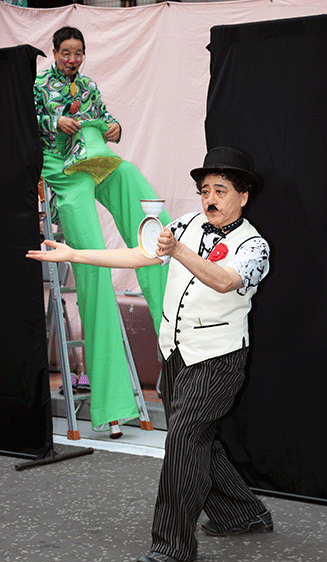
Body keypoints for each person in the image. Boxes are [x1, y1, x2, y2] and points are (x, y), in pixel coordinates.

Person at [27, 146, 273, 562]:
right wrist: (75, 254)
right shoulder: (185, 225)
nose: (210, 199)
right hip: (176, 352)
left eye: (221, 190)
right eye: (205, 191)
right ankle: (242, 513)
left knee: (183, 440)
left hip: (218, 359)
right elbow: (139, 254)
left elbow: (223, 281)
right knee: (194, 438)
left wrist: (177, 251)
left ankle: (173, 544)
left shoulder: (255, 246)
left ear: (243, 195)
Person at [34, 26, 170, 437]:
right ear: (54, 52)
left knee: (132, 179)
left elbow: (107, 119)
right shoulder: (38, 86)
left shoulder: (89, 86)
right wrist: (53, 120)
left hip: (96, 159)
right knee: (93, 265)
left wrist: (115, 130)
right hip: (63, 171)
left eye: (78, 52)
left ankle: (178, 339)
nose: (72, 59)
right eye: (66, 52)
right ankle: (111, 404)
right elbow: (26, 126)